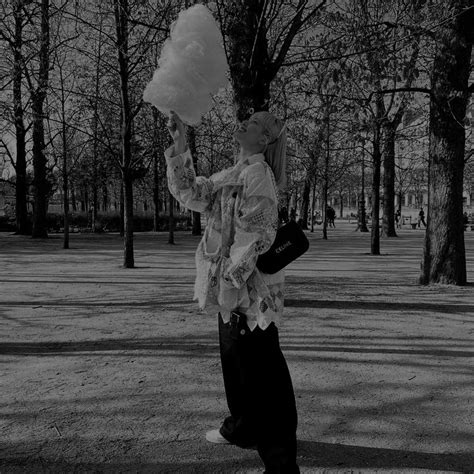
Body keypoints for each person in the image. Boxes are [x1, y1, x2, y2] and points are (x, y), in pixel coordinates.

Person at [165, 109, 299, 473]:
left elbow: (257, 236)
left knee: (261, 378)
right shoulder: (235, 172)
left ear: (264, 140)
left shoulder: (258, 175)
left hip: (249, 296)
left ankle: (280, 462)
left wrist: (226, 280)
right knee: (238, 365)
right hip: (234, 294)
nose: (243, 124)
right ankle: (243, 428)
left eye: (253, 123)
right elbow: (191, 192)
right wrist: (179, 145)